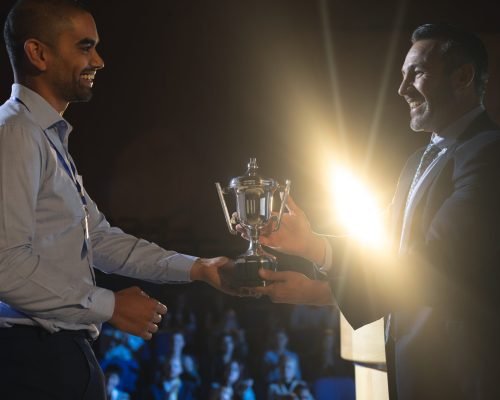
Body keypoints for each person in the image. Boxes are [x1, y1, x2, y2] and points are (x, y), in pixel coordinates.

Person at [243, 23, 500, 400]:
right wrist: (310, 248)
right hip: (412, 370)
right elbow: (384, 252)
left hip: (461, 376)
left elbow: (431, 265)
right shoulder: (416, 161)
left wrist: (318, 251)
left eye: (418, 72)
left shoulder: (489, 153)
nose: (402, 88)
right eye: (401, 75)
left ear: (463, 76)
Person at [0, 0, 235, 399]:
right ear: (38, 53)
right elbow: (5, 264)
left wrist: (198, 268)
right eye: (85, 47)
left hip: (61, 355)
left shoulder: (44, 138)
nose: (100, 60)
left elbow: (101, 239)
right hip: (33, 360)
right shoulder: (15, 134)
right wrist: (109, 305)